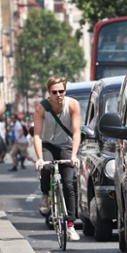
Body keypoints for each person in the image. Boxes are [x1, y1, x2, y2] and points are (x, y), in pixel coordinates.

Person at [33, 76, 81, 241]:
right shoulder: (42, 108)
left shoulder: (73, 105)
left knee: (69, 183)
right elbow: (37, 135)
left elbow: (76, 132)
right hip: (48, 145)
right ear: (49, 93)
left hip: (66, 146)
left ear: (65, 91)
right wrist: (39, 158)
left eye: (61, 91)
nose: (58, 95)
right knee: (46, 168)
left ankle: (70, 225)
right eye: (55, 92)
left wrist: (74, 155)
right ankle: (45, 195)